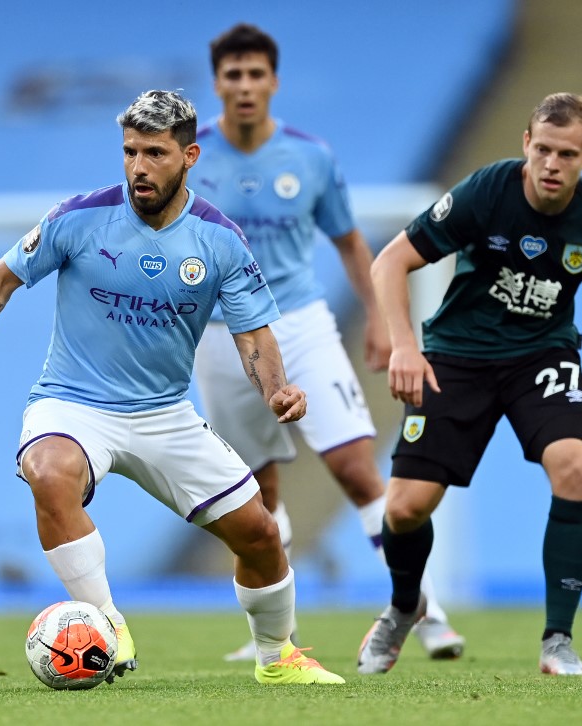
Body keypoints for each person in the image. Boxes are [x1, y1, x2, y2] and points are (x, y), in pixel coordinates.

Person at [0, 90, 344, 686]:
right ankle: (106, 624)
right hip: (74, 402)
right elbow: (2, 276)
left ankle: (277, 657)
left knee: (258, 534)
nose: (138, 167)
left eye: (155, 153)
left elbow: (253, 336)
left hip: (162, 414)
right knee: (48, 471)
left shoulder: (219, 240)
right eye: (130, 151)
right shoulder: (78, 218)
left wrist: (277, 391)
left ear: (190, 156)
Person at [191, 22, 465, 662]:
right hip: (222, 335)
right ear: (218, 83)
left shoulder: (310, 157)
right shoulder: (190, 155)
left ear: (274, 81)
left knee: (355, 469)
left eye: (256, 73)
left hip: (302, 323)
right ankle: (276, 638)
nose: (245, 85)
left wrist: (377, 318)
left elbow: (348, 242)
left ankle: (421, 607)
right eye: (233, 74)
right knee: (256, 496)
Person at [358, 92, 582, 676]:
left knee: (578, 466)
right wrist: (405, 347)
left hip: (542, 356)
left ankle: (557, 640)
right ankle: (406, 606)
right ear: (525, 146)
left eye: (567, 153)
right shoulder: (488, 190)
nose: (551, 164)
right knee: (406, 508)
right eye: (542, 149)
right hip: (457, 357)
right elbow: (389, 262)